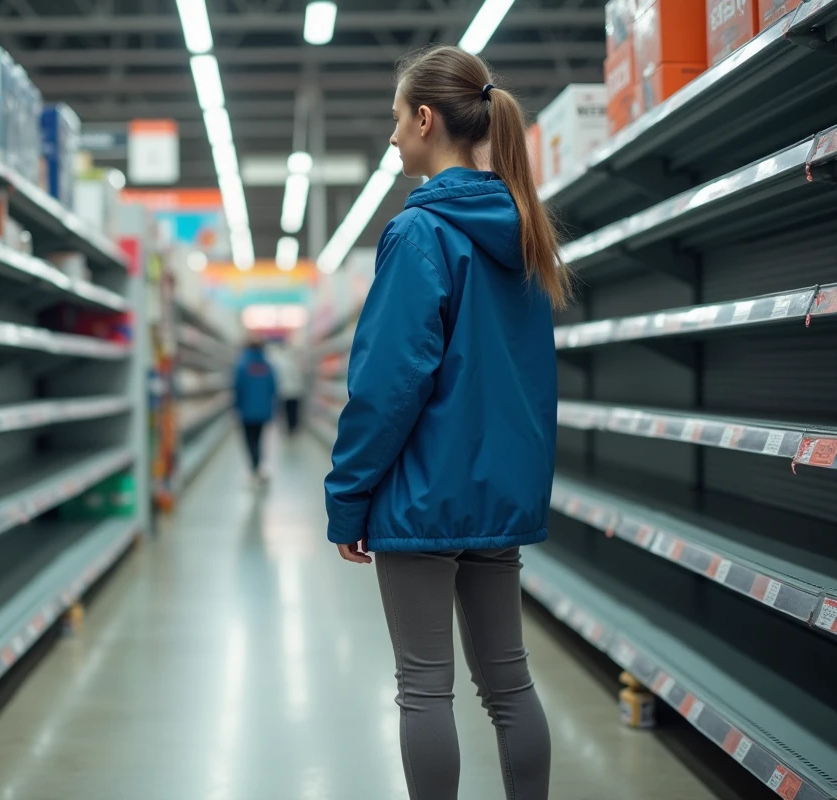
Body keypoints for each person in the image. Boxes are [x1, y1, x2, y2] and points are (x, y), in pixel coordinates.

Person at [324, 45, 571, 800]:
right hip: (498, 496)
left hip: (424, 494)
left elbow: (386, 384)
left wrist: (347, 498)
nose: (393, 137)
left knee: (425, 688)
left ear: (427, 119)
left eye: (398, 120)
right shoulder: (524, 232)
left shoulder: (419, 233)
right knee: (508, 682)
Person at [233, 338, 276, 481]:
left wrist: (236, 407)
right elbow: (273, 388)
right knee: (260, 438)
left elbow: (237, 388)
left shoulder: (242, 366)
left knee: (249, 440)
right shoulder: (268, 366)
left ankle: (254, 467)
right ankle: (258, 466)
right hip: (264, 411)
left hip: (246, 411)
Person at [267, 343, 305, 435]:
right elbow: (299, 378)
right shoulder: (295, 364)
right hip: (295, 391)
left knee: (287, 411)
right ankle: (293, 427)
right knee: (293, 410)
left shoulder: (281, 364)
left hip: (286, 392)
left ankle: (289, 427)